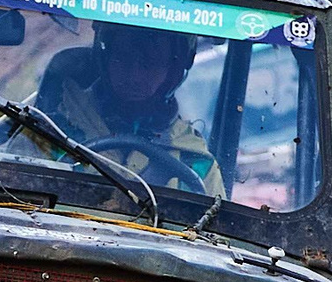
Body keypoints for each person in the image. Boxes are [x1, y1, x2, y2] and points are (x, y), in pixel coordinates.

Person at [35, 23, 215, 190]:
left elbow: (213, 221)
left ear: (173, 69)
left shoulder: (196, 161)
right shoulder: (50, 134)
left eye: (150, 63)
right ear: (105, 57)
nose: (135, 76)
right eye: (123, 58)